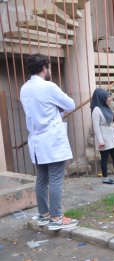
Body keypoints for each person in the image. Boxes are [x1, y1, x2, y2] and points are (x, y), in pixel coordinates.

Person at [20, 54, 78, 231]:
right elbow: (70, 104)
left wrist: (54, 110)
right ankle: (56, 217)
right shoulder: (48, 87)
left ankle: (44, 215)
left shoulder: (24, 89)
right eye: (49, 67)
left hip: (37, 141)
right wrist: (57, 110)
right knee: (55, 180)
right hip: (51, 140)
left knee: (42, 179)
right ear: (44, 68)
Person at [90, 88, 114, 185]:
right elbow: (96, 127)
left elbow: (112, 124)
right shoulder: (96, 110)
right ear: (102, 98)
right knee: (104, 158)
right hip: (104, 140)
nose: (110, 99)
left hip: (111, 138)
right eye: (108, 97)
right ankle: (105, 178)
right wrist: (100, 141)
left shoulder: (106, 109)